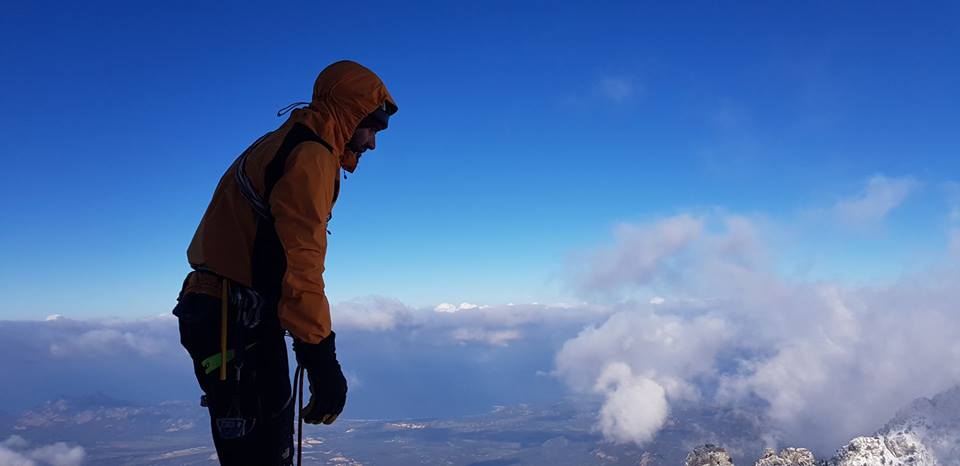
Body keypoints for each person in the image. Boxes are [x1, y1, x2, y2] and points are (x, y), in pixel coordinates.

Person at [172, 60, 398, 466]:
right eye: (373, 126)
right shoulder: (310, 155)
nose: (373, 141)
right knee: (262, 453)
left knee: (253, 445)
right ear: (350, 114)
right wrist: (322, 360)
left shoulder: (283, 143)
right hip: (235, 322)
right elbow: (303, 265)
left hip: (223, 315)